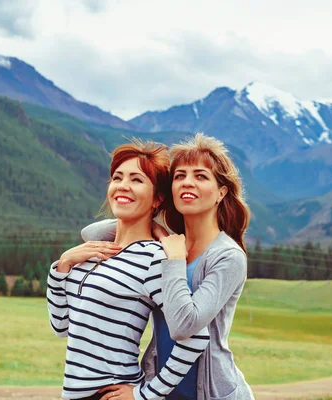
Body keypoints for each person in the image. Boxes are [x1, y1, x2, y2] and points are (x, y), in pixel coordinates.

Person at [82, 133, 255, 400]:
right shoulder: (167, 242)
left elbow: (186, 326)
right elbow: (91, 233)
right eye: (179, 176)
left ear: (221, 192)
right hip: (161, 389)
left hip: (212, 393)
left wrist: (174, 260)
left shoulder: (227, 256)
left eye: (200, 176)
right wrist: (153, 228)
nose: (188, 182)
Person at [47, 139, 210, 400]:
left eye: (136, 179)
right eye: (117, 177)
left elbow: (195, 337)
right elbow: (61, 326)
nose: (123, 186)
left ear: (157, 198)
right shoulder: (90, 252)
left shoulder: (154, 259)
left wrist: (146, 394)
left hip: (109, 392)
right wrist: (62, 266)